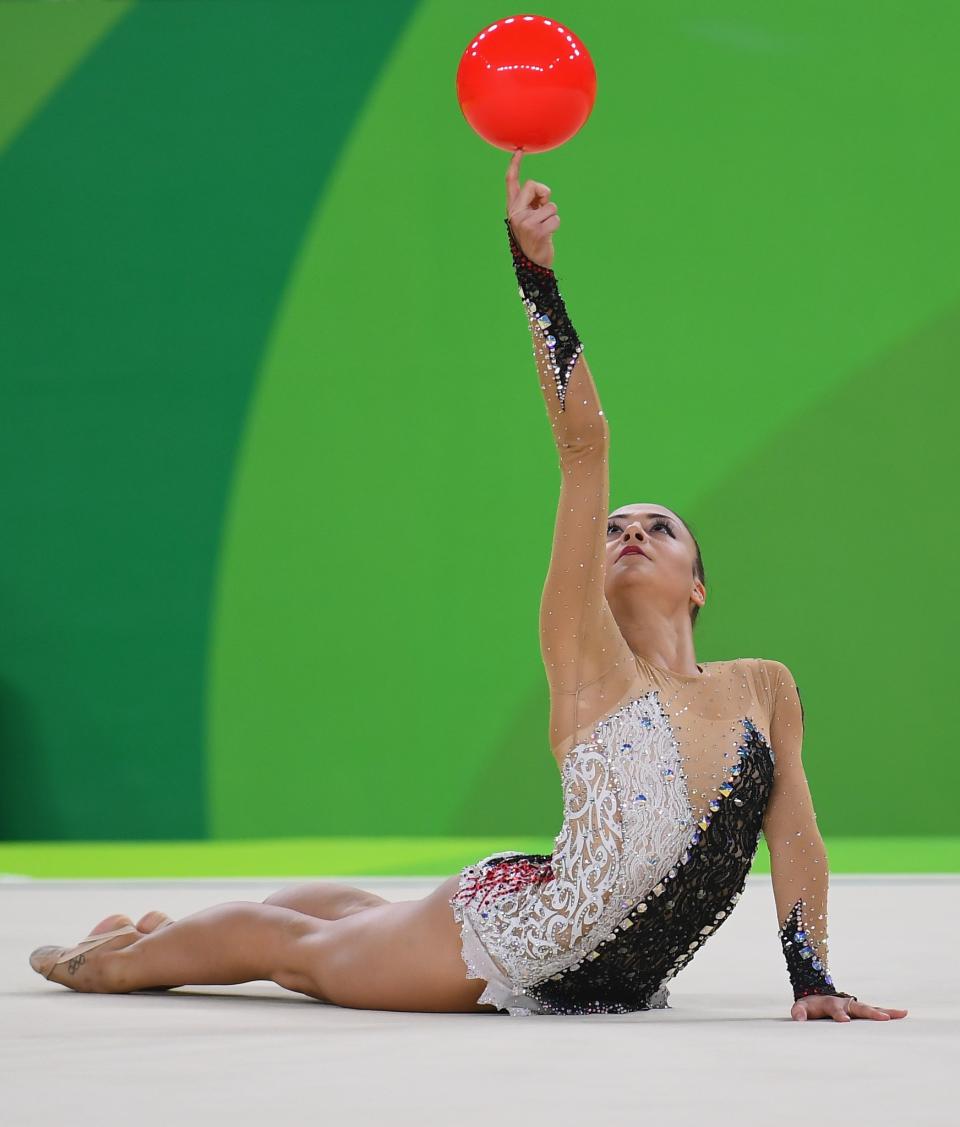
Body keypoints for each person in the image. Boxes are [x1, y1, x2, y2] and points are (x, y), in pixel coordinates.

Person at [29, 150, 907, 1023]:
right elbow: (585, 446)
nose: (631, 531)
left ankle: (156, 927)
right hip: (515, 944)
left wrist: (813, 977)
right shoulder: (586, 653)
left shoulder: (764, 687)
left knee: (355, 924)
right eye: (616, 529)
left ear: (699, 586)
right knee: (292, 951)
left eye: (660, 527)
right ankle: (113, 960)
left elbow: (795, 836)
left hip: (610, 971)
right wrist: (534, 272)